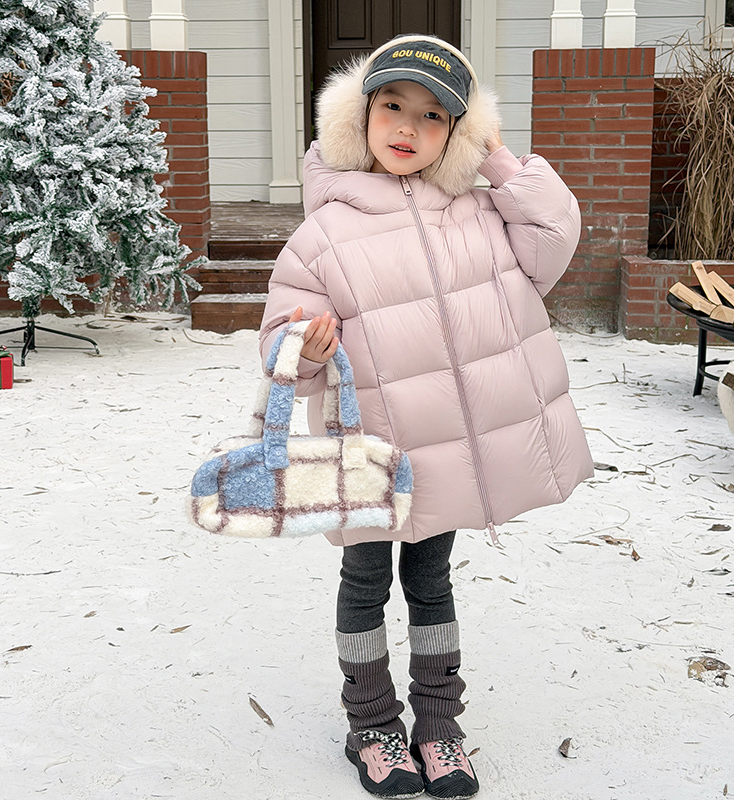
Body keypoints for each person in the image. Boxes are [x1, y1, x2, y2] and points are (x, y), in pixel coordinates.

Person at [259, 34, 594, 800]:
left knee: (432, 581)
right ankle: (372, 723)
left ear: (458, 132)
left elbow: (555, 235)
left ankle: (439, 724)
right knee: (365, 581)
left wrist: (498, 160)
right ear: (360, 116)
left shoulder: (479, 214)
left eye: (435, 115)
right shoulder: (324, 233)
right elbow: (280, 342)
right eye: (392, 105)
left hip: (441, 453)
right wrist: (304, 347)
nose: (409, 126)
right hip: (366, 446)